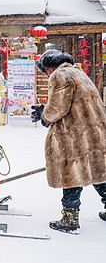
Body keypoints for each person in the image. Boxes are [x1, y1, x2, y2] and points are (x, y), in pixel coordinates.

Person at [31, 49, 106, 233]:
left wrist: (44, 115)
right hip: (93, 133)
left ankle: (69, 219)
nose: (46, 74)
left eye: (45, 70)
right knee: (97, 171)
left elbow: (58, 107)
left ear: (50, 67)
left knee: (71, 174)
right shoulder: (78, 72)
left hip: (75, 136)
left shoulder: (59, 75)